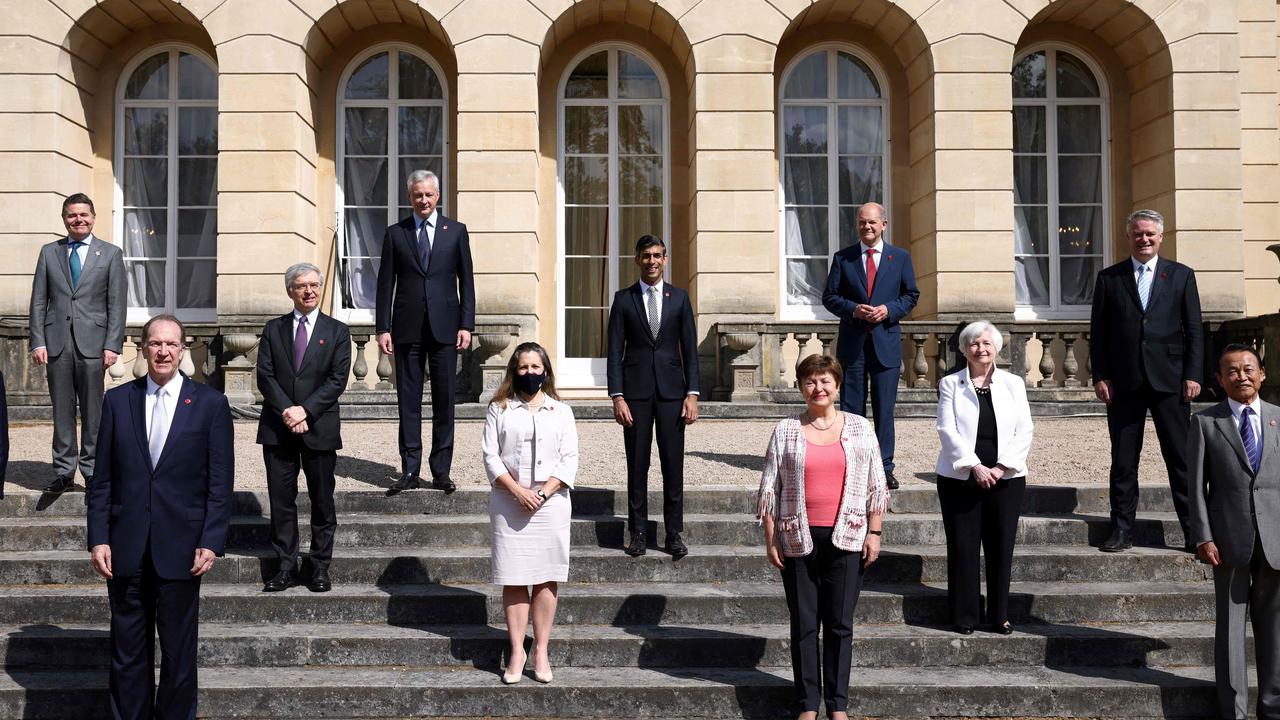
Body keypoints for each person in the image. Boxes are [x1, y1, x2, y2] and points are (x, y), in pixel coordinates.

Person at [86, 314, 234, 720]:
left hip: (183, 549)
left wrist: (211, 539)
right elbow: (103, 480)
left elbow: (219, 484)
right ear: (143, 348)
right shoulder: (117, 401)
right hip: (125, 548)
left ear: (183, 350)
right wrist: (98, 537)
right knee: (127, 656)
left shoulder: (210, 404)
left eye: (171, 344)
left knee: (178, 658)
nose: (163, 351)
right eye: (155, 344)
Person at [756, 354, 887, 720]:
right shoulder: (785, 430)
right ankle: (808, 704)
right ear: (800, 388)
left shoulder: (861, 428)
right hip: (797, 536)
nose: (819, 388)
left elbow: (877, 487)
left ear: (837, 385)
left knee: (840, 624)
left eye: (825, 380)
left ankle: (838, 704)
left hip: (848, 536)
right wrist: (771, 539)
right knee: (804, 624)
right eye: (811, 381)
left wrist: (874, 533)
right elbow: (770, 488)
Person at [1090, 208, 1203, 552]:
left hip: (1171, 381)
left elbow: (1194, 330)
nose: (1144, 239)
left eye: (1150, 234)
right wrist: (1100, 376)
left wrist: (1193, 375)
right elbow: (1099, 334)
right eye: (1138, 234)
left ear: (1160, 237)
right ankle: (1122, 529)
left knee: (1181, 460)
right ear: (1129, 237)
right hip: (1124, 381)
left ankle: (1193, 532)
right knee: (1124, 460)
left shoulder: (1181, 276)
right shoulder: (1109, 279)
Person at [1188, 343, 1280, 720]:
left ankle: (1273, 707)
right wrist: (1203, 536)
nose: (1240, 376)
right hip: (1226, 539)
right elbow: (1195, 487)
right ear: (1219, 379)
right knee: (1230, 630)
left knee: (1275, 630)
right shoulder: (1206, 422)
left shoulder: (1278, 418)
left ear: (1261, 374)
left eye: (1247, 369)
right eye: (1231, 371)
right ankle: (1233, 710)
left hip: (1275, 539)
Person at [481, 342, 578, 685]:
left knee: (546, 576)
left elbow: (570, 459)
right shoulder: (499, 408)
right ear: (513, 371)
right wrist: (519, 491)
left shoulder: (561, 411)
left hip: (550, 503)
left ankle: (541, 650)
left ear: (546, 371)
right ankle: (516, 649)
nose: (530, 373)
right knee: (514, 575)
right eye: (523, 367)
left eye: (536, 367)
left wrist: (542, 491)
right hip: (510, 502)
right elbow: (491, 456)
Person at [376, 169, 475, 495]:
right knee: (409, 402)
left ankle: (441, 471)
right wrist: (382, 328)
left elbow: (467, 281)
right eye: (418, 195)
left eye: (429, 194)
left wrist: (466, 324)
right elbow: (385, 284)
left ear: (438, 196)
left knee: (445, 401)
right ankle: (409, 469)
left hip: (446, 328)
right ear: (409, 197)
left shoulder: (456, 232)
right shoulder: (395, 233)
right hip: (406, 329)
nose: (423, 200)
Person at [255, 263, 352, 593]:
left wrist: (305, 411)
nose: (309, 290)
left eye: (314, 284)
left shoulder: (337, 331)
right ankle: (285, 565)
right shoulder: (273, 329)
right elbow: (265, 377)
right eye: (301, 286)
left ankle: (320, 565)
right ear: (290, 291)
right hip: (278, 428)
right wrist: (287, 410)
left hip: (319, 427)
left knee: (322, 500)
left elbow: (337, 379)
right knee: (282, 501)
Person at [935, 321, 1034, 635]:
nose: (981, 349)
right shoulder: (951, 383)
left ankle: (999, 614)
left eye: (986, 343)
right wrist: (974, 466)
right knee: (963, 547)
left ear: (996, 348)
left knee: (1001, 545)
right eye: (974, 344)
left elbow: (1025, 429)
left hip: (1006, 476)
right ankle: (965, 615)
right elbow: (946, 429)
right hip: (960, 476)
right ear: (965, 349)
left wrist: (1001, 467)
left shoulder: (1013, 383)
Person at [606, 235, 699, 558]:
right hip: (636, 395)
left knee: (673, 467)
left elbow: (690, 350)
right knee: (638, 466)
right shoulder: (623, 299)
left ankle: (674, 533)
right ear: (637, 259)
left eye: (657, 255)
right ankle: (639, 532)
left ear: (665, 259)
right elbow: (615, 351)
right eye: (646, 256)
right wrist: (617, 396)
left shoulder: (680, 299)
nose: (652, 261)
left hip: (674, 395)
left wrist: (693, 394)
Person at [28, 193, 126, 494]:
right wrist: (37, 341)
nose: (78, 219)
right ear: (64, 219)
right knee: (62, 410)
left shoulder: (109, 254)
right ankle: (63, 471)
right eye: (72, 215)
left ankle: (93, 470)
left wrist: (113, 344)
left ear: (93, 218)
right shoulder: (49, 253)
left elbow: (116, 304)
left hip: (94, 345)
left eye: (83, 214)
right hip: (56, 344)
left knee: (94, 411)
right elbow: (38, 302)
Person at [822, 202, 920, 490]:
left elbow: (911, 295)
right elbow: (829, 297)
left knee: (884, 410)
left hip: (885, 345)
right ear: (858, 225)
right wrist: (854, 309)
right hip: (853, 347)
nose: (867, 227)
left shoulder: (900, 258)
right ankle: (853, 465)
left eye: (872, 223)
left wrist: (888, 310)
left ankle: (884, 468)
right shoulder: (844, 258)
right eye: (862, 223)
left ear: (884, 224)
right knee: (851, 411)